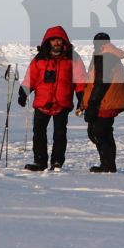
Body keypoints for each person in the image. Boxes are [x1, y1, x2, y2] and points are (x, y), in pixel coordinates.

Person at [18, 26, 85, 171]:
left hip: (62, 102)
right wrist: (23, 93)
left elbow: (80, 79)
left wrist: (81, 97)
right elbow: (31, 78)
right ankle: (40, 162)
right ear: (48, 42)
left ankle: (57, 162)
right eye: (54, 40)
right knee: (39, 133)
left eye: (59, 40)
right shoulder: (39, 59)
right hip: (43, 102)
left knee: (60, 134)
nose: (56, 43)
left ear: (64, 41)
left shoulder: (73, 58)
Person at [78, 31, 124, 172]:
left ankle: (108, 165)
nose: (98, 45)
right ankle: (108, 164)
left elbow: (101, 83)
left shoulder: (106, 56)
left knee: (99, 133)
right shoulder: (108, 55)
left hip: (105, 103)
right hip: (106, 102)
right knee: (102, 133)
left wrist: (92, 105)